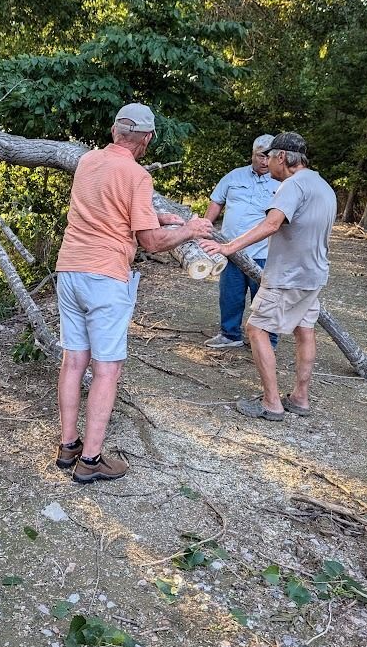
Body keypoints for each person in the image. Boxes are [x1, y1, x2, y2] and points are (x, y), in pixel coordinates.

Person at [55, 103, 213, 482]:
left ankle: (68, 446)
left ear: (114, 132)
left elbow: (108, 208)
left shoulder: (89, 163)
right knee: (107, 369)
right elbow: (152, 243)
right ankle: (90, 463)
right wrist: (190, 230)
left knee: (74, 361)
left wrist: (161, 216)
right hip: (105, 277)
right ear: (147, 138)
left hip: (70, 269)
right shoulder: (137, 175)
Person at [200, 132, 337, 421]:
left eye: (270, 156)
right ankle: (300, 397)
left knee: (256, 329)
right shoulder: (322, 185)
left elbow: (272, 223)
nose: (267, 162)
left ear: (283, 157)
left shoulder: (292, 185)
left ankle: (271, 403)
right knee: (305, 330)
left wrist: (229, 247)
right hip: (313, 275)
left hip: (288, 276)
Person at [203, 135, 278, 350]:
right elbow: (216, 203)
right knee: (230, 295)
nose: (265, 162)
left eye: (269, 157)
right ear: (252, 154)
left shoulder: (281, 183)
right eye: (261, 156)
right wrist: (203, 229)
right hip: (231, 250)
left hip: (264, 252)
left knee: (264, 299)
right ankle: (229, 334)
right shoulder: (234, 177)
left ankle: (267, 340)